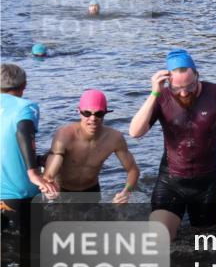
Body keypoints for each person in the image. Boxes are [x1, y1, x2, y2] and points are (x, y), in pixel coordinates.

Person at [129, 49, 216, 240]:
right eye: (177, 89)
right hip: (171, 181)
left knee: (204, 245)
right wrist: (154, 92)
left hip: (207, 185)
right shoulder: (161, 96)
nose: (184, 93)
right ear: (168, 82)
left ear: (197, 76)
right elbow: (135, 132)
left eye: (189, 86)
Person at [42, 90, 139, 203]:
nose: (93, 119)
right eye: (87, 113)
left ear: (105, 113)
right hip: (62, 191)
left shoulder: (114, 138)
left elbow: (133, 170)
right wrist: (48, 185)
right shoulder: (64, 135)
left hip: (91, 190)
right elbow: (50, 171)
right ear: (79, 112)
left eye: (99, 114)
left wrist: (126, 192)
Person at [1, 64, 58, 233]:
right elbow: (23, 131)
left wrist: (38, 159)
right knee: (28, 250)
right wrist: (33, 172)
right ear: (24, 86)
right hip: (18, 193)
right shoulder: (25, 107)